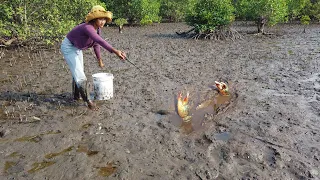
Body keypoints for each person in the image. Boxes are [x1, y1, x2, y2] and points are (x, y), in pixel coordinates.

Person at [60, 5, 126, 110]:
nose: (103, 22)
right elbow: (100, 41)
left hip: (77, 48)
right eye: (100, 19)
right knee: (80, 76)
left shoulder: (97, 29)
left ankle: (76, 96)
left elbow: (96, 44)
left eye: (104, 19)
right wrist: (115, 51)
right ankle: (88, 102)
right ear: (94, 19)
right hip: (69, 47)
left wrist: (99, 60)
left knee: (78, 72)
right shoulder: (87, 27)